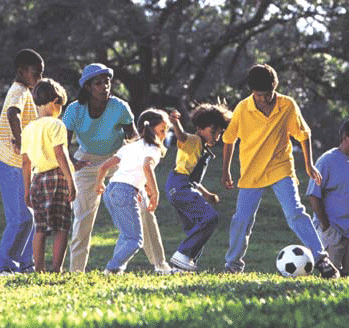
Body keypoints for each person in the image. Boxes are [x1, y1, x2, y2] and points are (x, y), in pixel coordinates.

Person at [222, 64, 339, 278]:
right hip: (251, 171)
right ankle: (232, 265)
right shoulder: (242, 108)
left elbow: (304, 134)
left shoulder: (287, 105)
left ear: (274, 87)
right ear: (252, 91)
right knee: (241, 219)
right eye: (258, 95)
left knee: (295, 213)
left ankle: (322, 260)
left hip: (280, 167)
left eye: (266, 94)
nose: (262, 99)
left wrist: (309, 164)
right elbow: (229, 140)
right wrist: (226, 171)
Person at [63, 63, 172, 274]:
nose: (105, 86)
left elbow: (133, 139)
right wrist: (72, 162)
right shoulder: (74, 110)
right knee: (83, 217)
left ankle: (160, 264)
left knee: (145, 210)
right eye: (98, 83)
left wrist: (144, 179)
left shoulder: (119, 106)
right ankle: (76, 272)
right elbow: (63, 143)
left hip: (118, 158)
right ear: (87, 87)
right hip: (86, 160)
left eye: (107, 82)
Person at [95, 109, 170, 274]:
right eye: (162, 130)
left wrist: (99, 183)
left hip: (112, 190)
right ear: (150, 129)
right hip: (126, 191)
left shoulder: (130, 147)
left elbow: (104, 166)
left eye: (166, 131)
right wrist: (155, 193)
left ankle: (120, 269)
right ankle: (112, 268)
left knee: (127, 235)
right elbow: (147, 166)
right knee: (134, 240)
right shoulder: (153, 148)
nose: (164, 135)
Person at [0, 49, 44, 277]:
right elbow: (13, 113)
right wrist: (21, 143)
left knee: (29, 218)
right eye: (36, 72)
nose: (39, 78)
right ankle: (2, 267)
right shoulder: (19, 91)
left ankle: (25, 265)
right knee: (20, 218)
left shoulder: (25, 91)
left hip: (21, 165)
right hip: (10, 162)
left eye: (42, 73)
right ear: (22, 71)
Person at [165, 104, 232, 272]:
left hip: (182, 186)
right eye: (214, 131)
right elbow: (181, 136)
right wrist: (175, 122)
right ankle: (183, 255)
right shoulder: (194, 141)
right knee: (210, 218)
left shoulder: (202, 148)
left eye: (220, 133)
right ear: (200, 128)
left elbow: (193, 179)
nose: (217, 137)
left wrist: (207, 194)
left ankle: (182, 267)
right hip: (179, 186)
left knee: (197, 228)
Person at [21, 78, 76, 273]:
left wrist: (27, 189)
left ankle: (39, 269)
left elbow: (26, 162)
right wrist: (70, 181)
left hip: (37, 180)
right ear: (56, 102)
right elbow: (60, 153)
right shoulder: (56, 125)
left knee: (40, 227)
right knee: (61, 226)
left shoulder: (28, 129)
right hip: (57, 178)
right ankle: (56, 268)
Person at [306, 118, 349, 277]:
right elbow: (313, 195)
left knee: (348, 278)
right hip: (333, 231)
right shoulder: (327, 160)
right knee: (329, 279)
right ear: (346, 137)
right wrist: (327, 227)